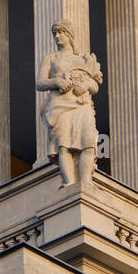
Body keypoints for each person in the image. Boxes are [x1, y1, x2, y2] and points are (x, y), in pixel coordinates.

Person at [36, 19, 103, 186]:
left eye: (60, 32)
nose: (57, 37)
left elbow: (95, 84)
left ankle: (86, 181)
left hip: (82, 104)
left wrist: (86, 85)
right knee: (63, 144)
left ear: (69, 34)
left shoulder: (83, 59)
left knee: (88, 143)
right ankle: (69, 182)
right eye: (54, 34)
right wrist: (56, 82)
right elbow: (39, 83)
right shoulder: (51, 58)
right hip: (60, 107)